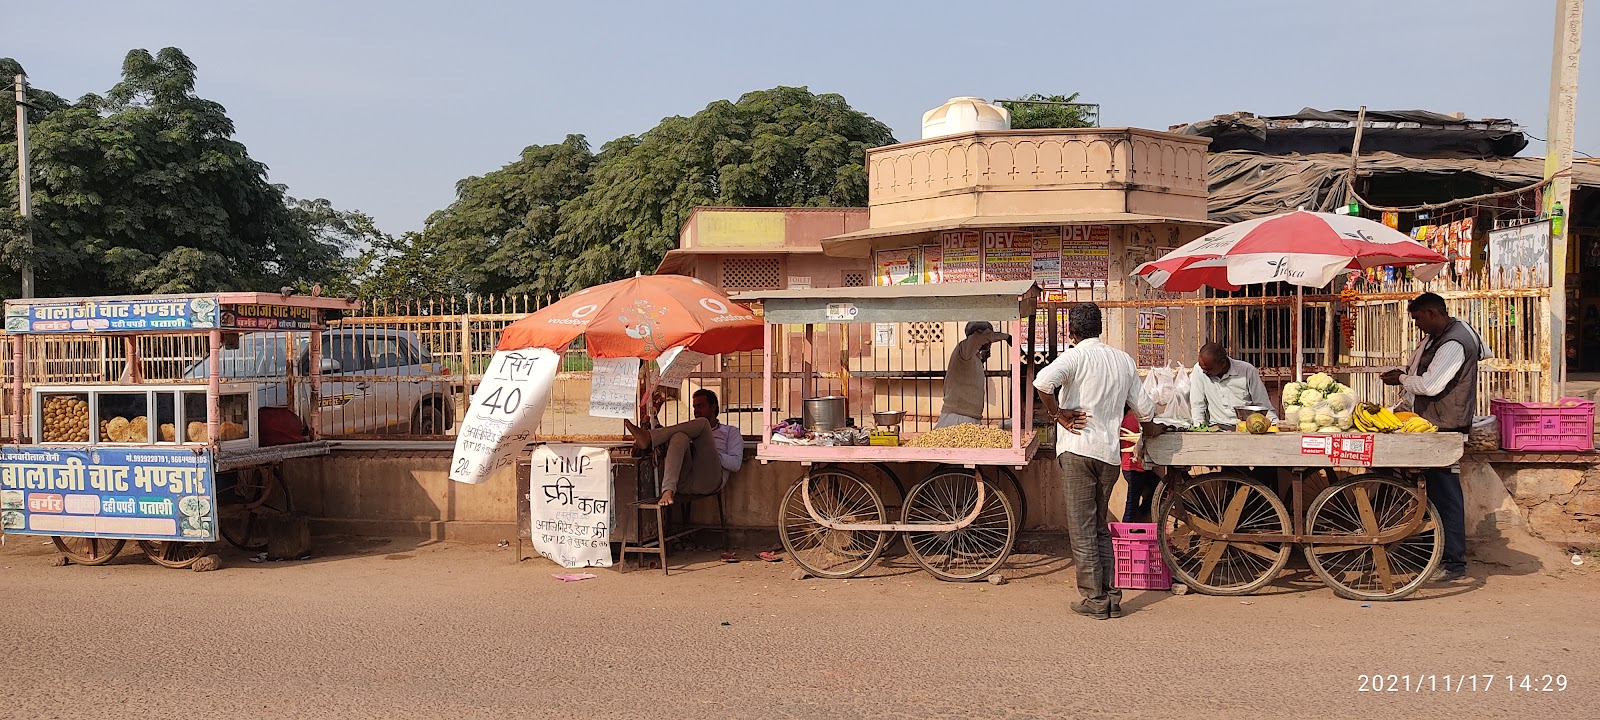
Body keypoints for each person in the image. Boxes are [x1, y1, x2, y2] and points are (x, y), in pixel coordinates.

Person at [1034, 303, 1160, 620]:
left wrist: (1057, 414)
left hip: (1077, 449)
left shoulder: (1075, 356)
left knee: (1082, 529)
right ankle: (1111, 597)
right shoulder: (1123, 360)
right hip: (1108, 454)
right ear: (1100, 328)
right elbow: (1145, 410)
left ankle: (1095, 599)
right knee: (1100, 527)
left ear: (1072, 332)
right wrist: (1154, 432)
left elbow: (1043, 382)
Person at [1381, 292, 1489, 583]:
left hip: (1445, 427)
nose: (1417, 325)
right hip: (1432, 424)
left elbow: (1431, 385)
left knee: (1445, 494)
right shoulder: (1439, 335)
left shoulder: (1454, 342)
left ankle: (1453, 562)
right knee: (1431, 492)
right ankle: (1429, 551)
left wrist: (1401, 379)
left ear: (1432, 313)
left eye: (1418, 318)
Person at [623, 388, 743, 507]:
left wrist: (709, 454)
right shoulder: (691, 429)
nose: (696, 411)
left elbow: (736, 464)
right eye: (694, 407)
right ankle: (668, 490)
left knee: (703, 423)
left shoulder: (730, 432)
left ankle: (649, 437)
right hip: (684, 482)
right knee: (679, 436)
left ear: (713, 407)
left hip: (709, 481)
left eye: (700, 406)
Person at [936, 321, 1013, 429]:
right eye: (988, 336)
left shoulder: (972, 355)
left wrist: (982, 359)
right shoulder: (964, 349)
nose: (989, 341)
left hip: (970, 416)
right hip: (958, 417)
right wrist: (1007, 337)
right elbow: (979, 337)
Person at [1189, 342, 1278, 428]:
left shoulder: (1247, 371)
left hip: (1245, 427)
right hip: (1216, 427)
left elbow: (1263, 405)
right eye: (1202, 368)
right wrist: (1199, 429)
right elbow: (1198, 405)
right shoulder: (1199, 370)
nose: (1204, 372)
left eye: (1208, 369)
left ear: (1222, 363)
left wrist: (1275, 426)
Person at [1120, 411, 1159, 523]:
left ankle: (1140, 515)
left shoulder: (1130, 418)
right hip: (1133, 467)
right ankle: (1126, 528)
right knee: (1132, 502)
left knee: (1158, 488)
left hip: (1139, 467)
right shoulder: (1132, 419)